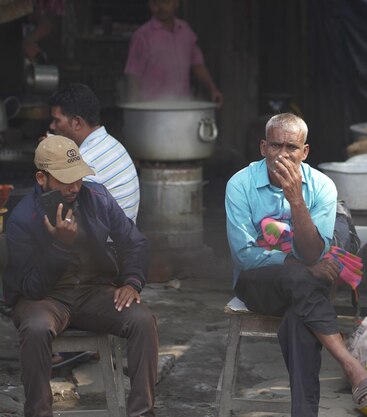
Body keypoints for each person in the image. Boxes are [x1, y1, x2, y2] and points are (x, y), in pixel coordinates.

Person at [225, 113, 367, 416]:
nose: (283, 155)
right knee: (301, 277)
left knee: (300, 321)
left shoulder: (321, 186)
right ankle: (351, 366)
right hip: (257, 284)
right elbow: (244, 255)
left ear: (305, 151)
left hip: (304, 290)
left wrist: (296, 200)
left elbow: (314, 254)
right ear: (262, 148)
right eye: (275, 146)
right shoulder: (240, 185)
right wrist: (300, 265)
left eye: (291, 148)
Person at [3, 135, 158, 417]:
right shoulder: (22, 219)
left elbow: (133, 242)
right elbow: (30, 288)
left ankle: (142, 412)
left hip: (93, 292)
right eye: (65, 179)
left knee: (142, 319)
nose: (75, 186)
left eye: (78, 177)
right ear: (42, 178)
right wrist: (60, 246)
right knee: (36, 327)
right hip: (44, 298)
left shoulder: (97, 197)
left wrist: (132, 282)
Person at [48, 83, 140, 223]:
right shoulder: (112, 144)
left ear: (77, 123)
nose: (52, 126)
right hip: (125, 238)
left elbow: (69, 222)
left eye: (56, 120)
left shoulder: (85, 160)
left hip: (107, 243)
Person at [124, 0, 223, 105]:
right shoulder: (142, 35)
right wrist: (136, 106)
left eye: (165, 2)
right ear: (149, 5)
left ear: (176, 3)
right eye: (155, 3)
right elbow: (133, 74)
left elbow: (197, 63)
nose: (160, 8)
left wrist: (212, 89)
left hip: (181, 106)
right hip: (152, 108)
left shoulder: (185, 31)